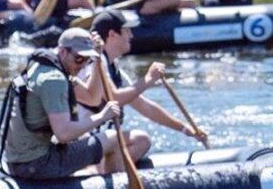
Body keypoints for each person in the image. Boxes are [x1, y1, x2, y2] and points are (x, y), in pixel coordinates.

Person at [0, 28, 149, 179]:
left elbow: (92, 98)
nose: (82, 65)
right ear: (63, 51)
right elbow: (64, 134)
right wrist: (103, 116)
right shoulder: (54, 80)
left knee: (86, 136)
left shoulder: (48, 67)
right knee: (113, 138)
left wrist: (97, 60)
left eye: (87, 60)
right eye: (79, 58)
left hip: (22, 160)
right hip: (37, 164)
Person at [78, 11, 208, 145]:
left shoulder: (115, 71)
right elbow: (114, 97)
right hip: (83, 140)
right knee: (141, 140)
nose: (131, 36)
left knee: (140, 142)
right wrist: (148, 79)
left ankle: (110, 162)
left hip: (99, 138)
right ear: (112, 34)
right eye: (127, 31)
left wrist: (185, 129)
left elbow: (146, 107)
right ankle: (104, 164)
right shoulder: (95, 63)